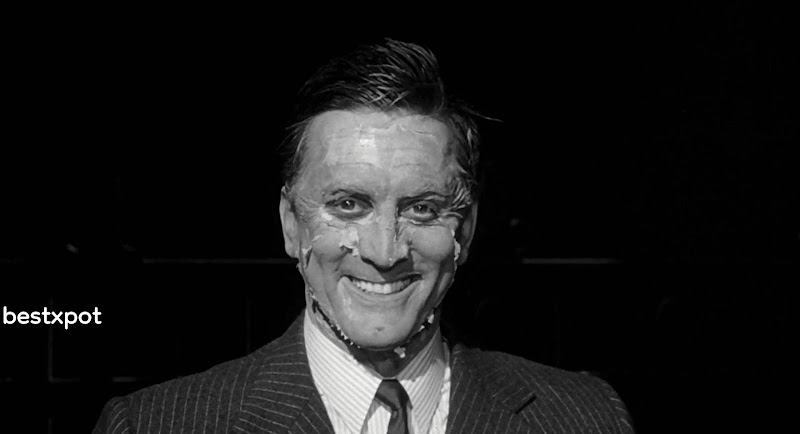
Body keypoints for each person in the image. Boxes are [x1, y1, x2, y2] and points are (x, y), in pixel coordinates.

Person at [93, 39, 633, 434]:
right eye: (348, 205)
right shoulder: (155, 424)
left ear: (465, 229)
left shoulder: (585, 417)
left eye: (422, 208)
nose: (383, 251)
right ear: (290, 224)